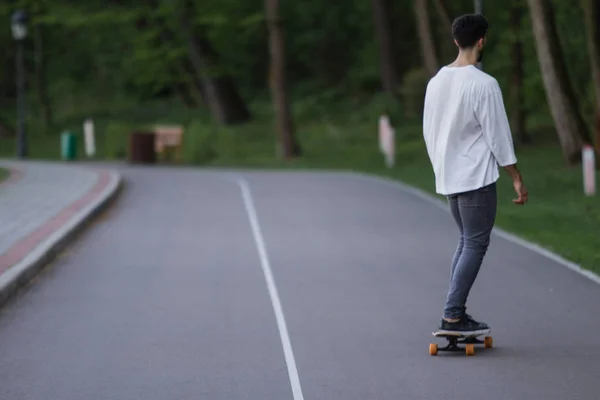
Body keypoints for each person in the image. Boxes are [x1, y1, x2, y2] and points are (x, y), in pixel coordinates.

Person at [422, 14, 528, 334]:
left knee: (467, 242)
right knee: (475, 244)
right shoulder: (484, 84)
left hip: (450, 177)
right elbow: (498, 136)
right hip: (476, 179)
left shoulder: (437, 81)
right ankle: (452, 315)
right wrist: (516, 176)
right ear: (481, 41)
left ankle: (455, 312)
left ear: (456, 41)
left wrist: (441, 166)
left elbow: (430, 130)